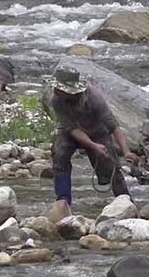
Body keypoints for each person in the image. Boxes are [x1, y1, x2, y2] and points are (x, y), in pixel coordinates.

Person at [48, 67, 138, 208]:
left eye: (60, 89)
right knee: (60, 154)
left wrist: (126, 151)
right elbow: (72, 129)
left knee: (111, 164)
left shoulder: (94, 97)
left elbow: (113, 125)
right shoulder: (56, 100)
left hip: (98, 131)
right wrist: (93, 146)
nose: (56, 91)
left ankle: (126, 202)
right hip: (70, 132)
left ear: (70, 91)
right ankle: (63, 202)